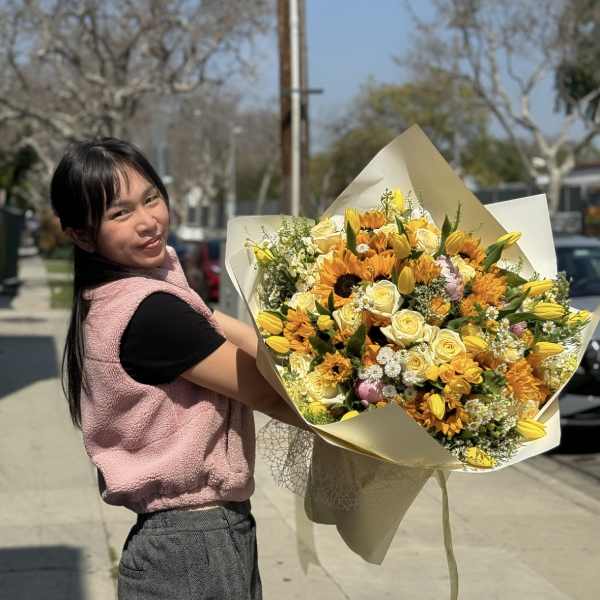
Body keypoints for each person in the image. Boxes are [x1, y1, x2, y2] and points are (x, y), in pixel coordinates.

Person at [50, 137, 303, 599]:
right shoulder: (148, 313)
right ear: (82, 235)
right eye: (120, 213)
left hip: (191, 540)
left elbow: (226, 329)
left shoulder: (132, 295)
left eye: (151, 199)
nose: (148, 221)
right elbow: (266, 392)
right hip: (193, 548)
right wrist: (364, 421)